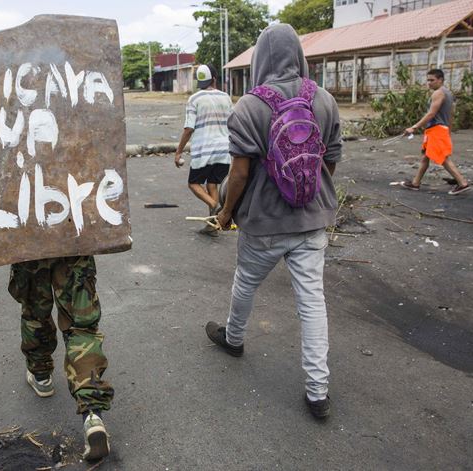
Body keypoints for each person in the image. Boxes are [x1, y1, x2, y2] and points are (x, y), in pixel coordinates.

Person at [206, 24, 342, 420]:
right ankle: (318, 392)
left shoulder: (248, 106)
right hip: (311, 222)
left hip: (263, 224)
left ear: (261, 58)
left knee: (245, 283)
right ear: (298, 54)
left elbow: (240, 174)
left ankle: (233, 339)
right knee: (312, 302)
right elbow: (329, 160)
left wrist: (226, 213)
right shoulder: (325, 100)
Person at [8, 256, 113, 461]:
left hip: (30, 242)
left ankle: (41, 377)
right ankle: (92, 415)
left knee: (35, 314)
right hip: (73, 239)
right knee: (81, 327)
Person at [175, 64, 233, 236]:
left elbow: (188, 128)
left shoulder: (195, 99)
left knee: (193, 183)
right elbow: (234, 123)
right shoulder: (226, 97)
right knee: (212, 184)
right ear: (214, 79)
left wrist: (178, 151)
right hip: (224, 149)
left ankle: (215, 206)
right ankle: (212, 225)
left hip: (204, 151)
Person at [400, 69, 470, 195]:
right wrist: (448, 129)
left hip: (437, 129)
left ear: (440, 80)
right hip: (439, 129)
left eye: (432, 80)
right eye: (428, 80)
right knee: (425, 157)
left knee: (442, 158)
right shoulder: (448, 93)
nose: (429, 83)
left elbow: (431, 113)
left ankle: (462, 183)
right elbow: (450, 114)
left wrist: (414, 127)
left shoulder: (438, 93)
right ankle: (415, 183)